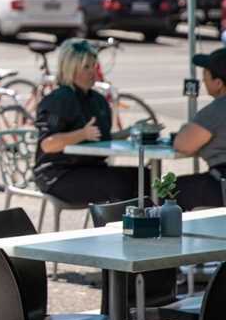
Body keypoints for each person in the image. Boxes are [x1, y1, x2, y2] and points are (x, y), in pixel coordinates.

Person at [35, 39, 147, 204]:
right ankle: (118, 228)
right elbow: (48, 144)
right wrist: (81, 134)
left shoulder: (98, 101)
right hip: (58, 175)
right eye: (86, 67)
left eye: (94, 66)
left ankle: (151, 226)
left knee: (145, 176)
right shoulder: (58, 100)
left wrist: (131, 132)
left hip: (90, 169)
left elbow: (101, 140)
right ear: (71, 70)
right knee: (119, 185)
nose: (92, 72)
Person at [172, 48, 226, 209]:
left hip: (221, 184)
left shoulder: (217, 109)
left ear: (218, 83)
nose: (203, 81)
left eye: (206, 77)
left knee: (168, 190)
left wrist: (185, 129)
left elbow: (183, 145)